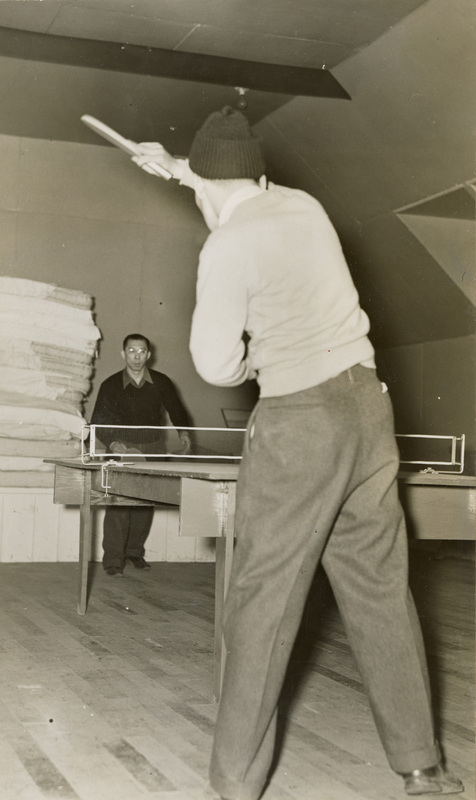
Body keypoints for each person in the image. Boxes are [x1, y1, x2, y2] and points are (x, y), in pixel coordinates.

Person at [131, 109, 463, 799]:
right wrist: (177, 166)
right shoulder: (302, 206)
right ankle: (422, 767)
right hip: (369, 412)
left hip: (300, 425)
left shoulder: (226, 247)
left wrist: (255, 357)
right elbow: (224, 184)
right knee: (378, 589)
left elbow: (217, 363)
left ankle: (233, 784)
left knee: (261, 602)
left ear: (218, 191)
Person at [91, 333, 192, 576]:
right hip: (120, 449)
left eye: (142, 351)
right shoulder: (110, 385)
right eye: (132, 351)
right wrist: (113, 442)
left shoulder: (162, 382)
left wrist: (184, 434)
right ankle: (113, 560)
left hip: (153, 448)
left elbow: (177, 410)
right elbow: (98, 421)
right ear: (123, 353)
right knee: (117, 503)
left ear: (149, 354)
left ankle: (134, 553)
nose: (137, 356)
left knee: (145, 503)